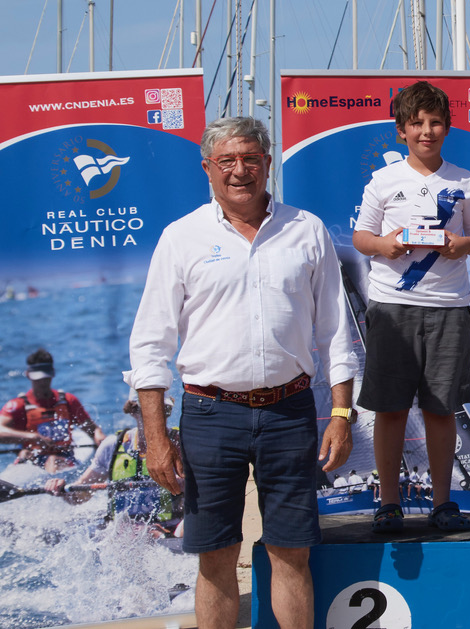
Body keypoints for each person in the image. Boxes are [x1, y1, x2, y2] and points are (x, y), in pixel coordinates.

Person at [125, 116, 358, 629]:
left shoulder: (307, 230)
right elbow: (149, 345)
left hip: (291, 413)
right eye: (227, 160)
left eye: (250, 159)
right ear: (207, 168)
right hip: (210, 416)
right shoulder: (180, 237)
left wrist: (341, 413)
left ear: (267, 164)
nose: (240, 171)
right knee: (216, 557)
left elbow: (337, 333)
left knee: (292, 553)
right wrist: (155, 435)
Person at [352, 81, 470, 533]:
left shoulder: (464, 180)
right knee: (390, 409)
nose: (426, 131)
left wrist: (463, 244)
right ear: (401, 131)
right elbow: (361, 237)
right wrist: (386, 245)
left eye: (435, 123)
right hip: (392, 308)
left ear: (447, 128)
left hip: (450, 307)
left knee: (440, 407)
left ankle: (442, 503)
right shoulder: (383, 181)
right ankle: (389, 503)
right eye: (416, 124)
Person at [46, 391, 182, 538]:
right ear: (134, 411)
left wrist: (187, 484)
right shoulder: (112, 446)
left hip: (168, 530)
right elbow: (80, 496)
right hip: (121, 531)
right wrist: (61, 489)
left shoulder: (181, 444)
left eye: (163, 411)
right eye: (149, 411)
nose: (158, 418)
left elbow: (204, 494)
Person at [0, 349, 106, 473]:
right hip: (32, 458)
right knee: (25, 454)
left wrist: (99, 436)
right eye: (38, 379)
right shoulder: (17, 405)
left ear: (53, 374)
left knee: (52, 460)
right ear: (28, 374)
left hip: (64, 457)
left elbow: (93, 429)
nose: (43, 382)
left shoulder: (68, 401)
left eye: (46, 378)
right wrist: (34, 437)